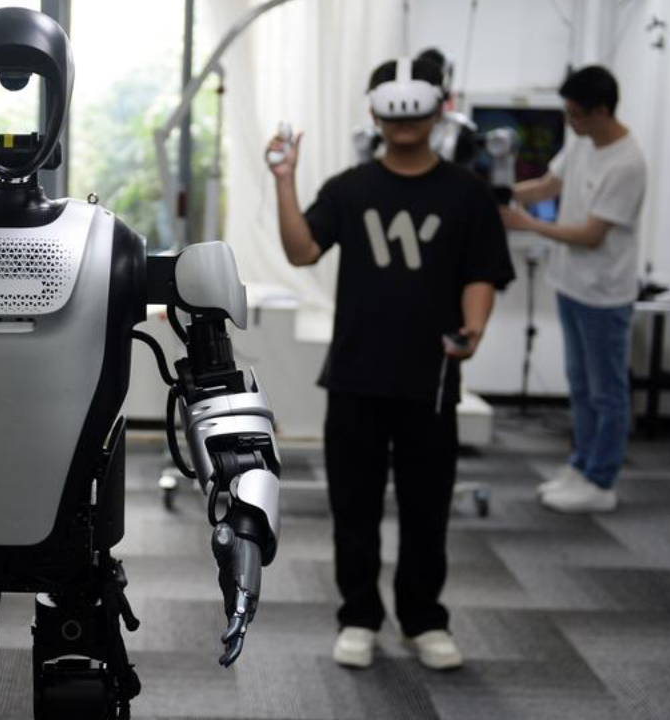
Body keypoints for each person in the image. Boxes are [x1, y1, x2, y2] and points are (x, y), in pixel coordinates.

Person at [266, 57, 514, 670]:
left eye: (417, 112)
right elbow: (302, 251)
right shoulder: (351, 188)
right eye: (394, 112)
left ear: (438, 111)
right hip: (356, 376)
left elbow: (482, 271)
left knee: (427, 509)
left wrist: (475, 328)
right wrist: (284, 179)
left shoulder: (468, 193)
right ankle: (358, 616)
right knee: (356, 507)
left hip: (429, 380)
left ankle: (424, 620)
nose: (405, 123)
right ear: (375, 113)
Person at [501, 66, 646, 514]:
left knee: (607, 391)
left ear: (601, 111)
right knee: (580, 385)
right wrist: (495, 194)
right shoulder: (583, 142)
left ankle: (601, 479)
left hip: (605, 294)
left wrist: (529, 225)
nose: (571, 123)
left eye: (576, 114)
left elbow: (591, 234)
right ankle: (581, 466)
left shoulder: (627, 163)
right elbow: (548, 184)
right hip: (570, 285)